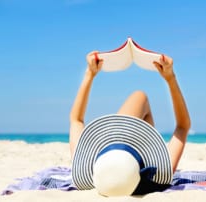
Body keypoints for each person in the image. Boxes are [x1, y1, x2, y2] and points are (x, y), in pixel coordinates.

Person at [69, 51, 191, 196]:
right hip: (124, 168)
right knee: (140, 95)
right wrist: (170, 78)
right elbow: (183, 126)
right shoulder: (159, 172)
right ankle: (142, 143)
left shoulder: (106, 176)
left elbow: (76, 120)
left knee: (140, 98)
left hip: (120, 176)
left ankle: (144, 144)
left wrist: (90, 74)